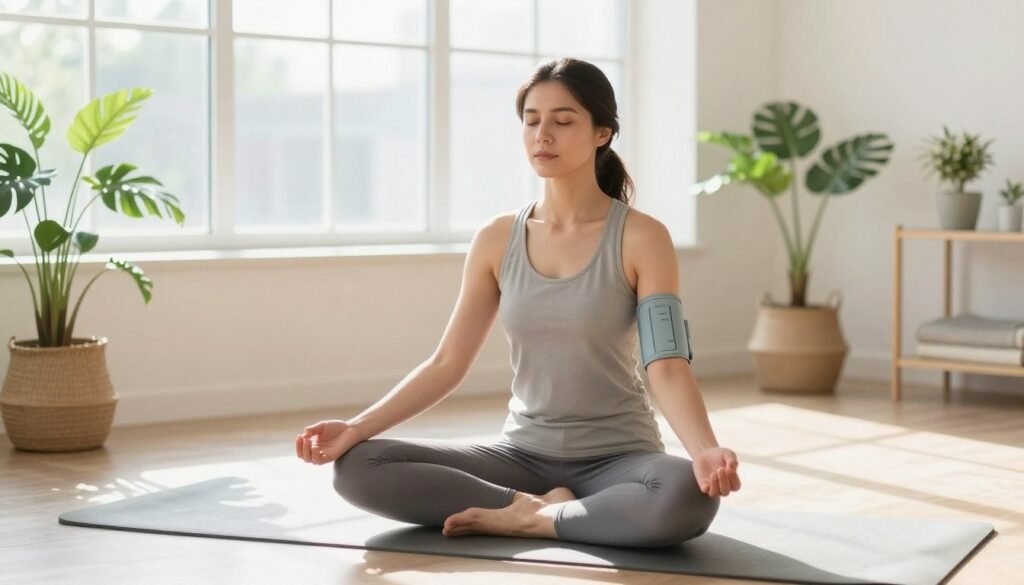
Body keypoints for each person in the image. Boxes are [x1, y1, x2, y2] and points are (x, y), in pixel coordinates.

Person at [295, 57, 741, 548]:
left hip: (619, 458)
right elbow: (447, 363)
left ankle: (533, 519)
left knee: (686, 493)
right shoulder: (496, 238)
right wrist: (355, 429)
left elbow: (668, 364)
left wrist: (703, 449)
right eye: (532, 121)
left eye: (563, 121)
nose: (542, 135)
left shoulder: (642, 237)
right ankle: (526, 505)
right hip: (521, 457)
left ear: (602, 133)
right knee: (358, 466)